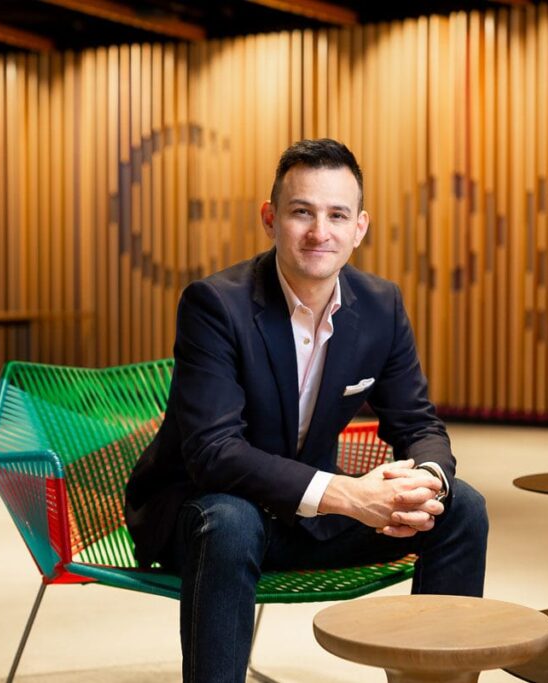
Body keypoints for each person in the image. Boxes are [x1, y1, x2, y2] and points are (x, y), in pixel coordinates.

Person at [124, 138, 488, 682]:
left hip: (304, 519)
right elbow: (213, 454)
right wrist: (350, 495)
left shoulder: (381, 305)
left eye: (337, 214)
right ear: (271, 219)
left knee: (460, 508)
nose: (320, 232)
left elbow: (416, 423)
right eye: (302, 212)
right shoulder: (215, 305)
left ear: (359, 227)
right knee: (231, 520)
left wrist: (427, 483)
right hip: (201, 517)